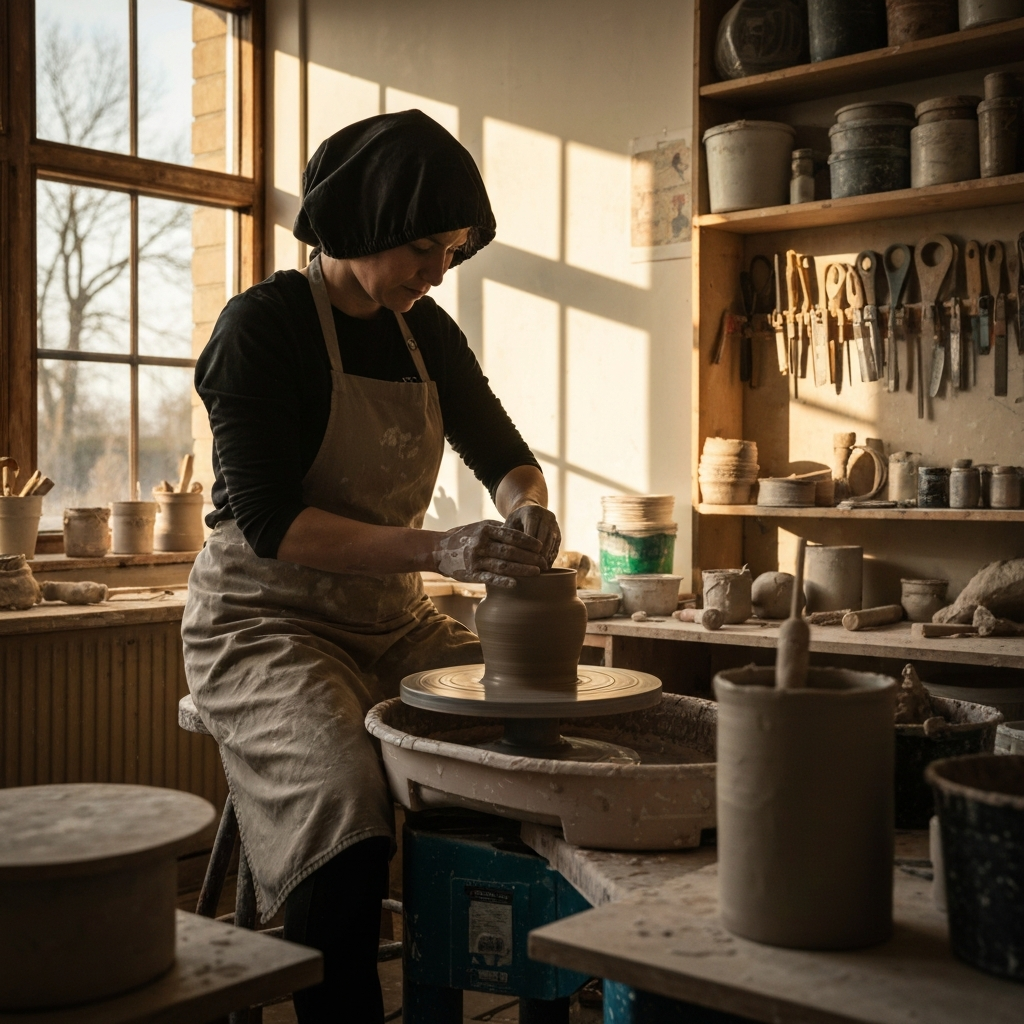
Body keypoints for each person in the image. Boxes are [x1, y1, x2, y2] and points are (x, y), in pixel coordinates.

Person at [182, 110, 561, 1023]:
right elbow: (272, 523)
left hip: (390, 619)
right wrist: (443, 549)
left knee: (531, 749)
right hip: (265, 622)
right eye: (425, 249)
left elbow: (502, 450)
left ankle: (513, 986)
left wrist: (529, 509)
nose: (438, 274)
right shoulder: (261, 330)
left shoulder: (425, 334)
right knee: (346, 819)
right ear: (361, 223)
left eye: (453, 251)